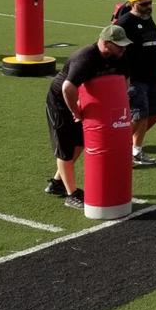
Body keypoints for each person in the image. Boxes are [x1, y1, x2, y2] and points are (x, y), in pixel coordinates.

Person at [43, 24, 132, 209]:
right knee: (65, 148)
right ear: (106, 43)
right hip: (61, 102)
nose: (123, 49)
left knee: (80, 142)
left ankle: (57, 183)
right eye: (119, 45)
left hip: (84, 101)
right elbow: (67, 88)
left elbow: (124, 80)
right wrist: (76, 112)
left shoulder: (119, 56)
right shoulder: (85, 58)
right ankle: (71, 194)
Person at [118, 0, 156, 166]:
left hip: (151, 75)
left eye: (150, 3)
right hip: (136, 78)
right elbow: (115, 50)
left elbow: (151, 41)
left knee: (146, 115)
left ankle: (136, 150)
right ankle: (119, 148)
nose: (148, 6)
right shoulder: (124, 23)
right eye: (144, 4)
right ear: (132, 4)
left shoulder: (147, 18)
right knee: (138, 116)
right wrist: (125, 77)